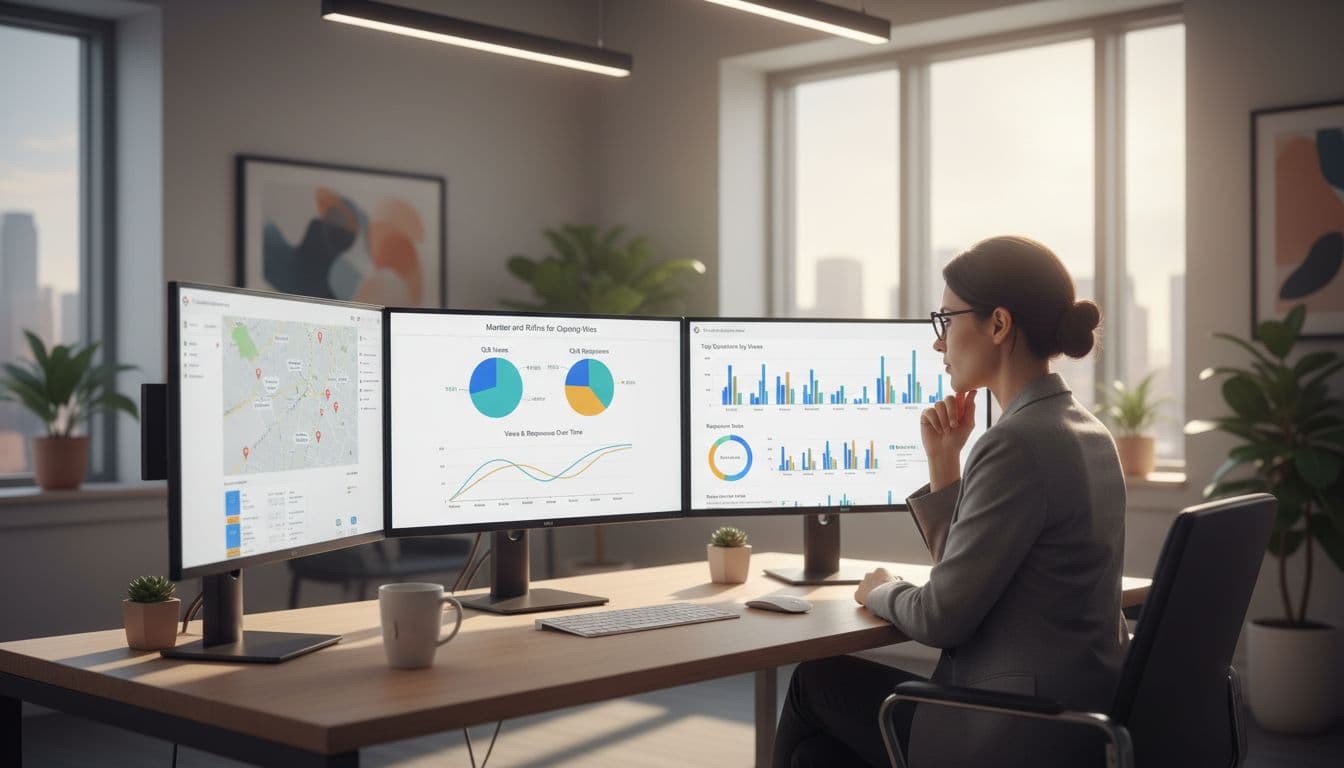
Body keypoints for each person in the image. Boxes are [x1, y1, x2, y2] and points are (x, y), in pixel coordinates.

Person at [772, 235, 1128, 768]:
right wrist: (945, 465)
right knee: (817, 758)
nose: (938, 343)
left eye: (946, 320)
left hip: (1011, 727)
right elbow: (975, 576)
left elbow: (941, 616)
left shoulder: (1016, 442)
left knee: (813, 682)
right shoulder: (1086, 430)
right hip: (1077, 720)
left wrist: (880, 590)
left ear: (998, 325)